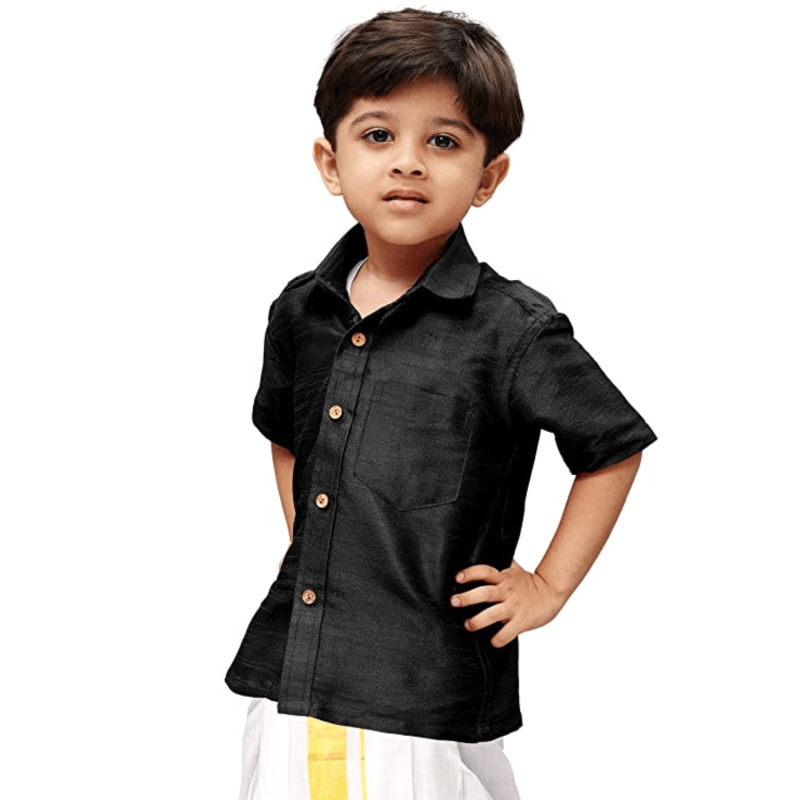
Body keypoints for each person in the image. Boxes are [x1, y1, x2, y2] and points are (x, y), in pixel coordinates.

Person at [226, 8, 658, 799]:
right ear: (331, 162)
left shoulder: (512, 329)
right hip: (293, 671)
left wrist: (547, 586)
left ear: (489, 176)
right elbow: (284, 434)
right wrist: (322, 545)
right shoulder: (300, 312)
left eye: (444, 142)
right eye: (378, 135)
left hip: (422, 688)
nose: (408, 163)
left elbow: (612, 446)